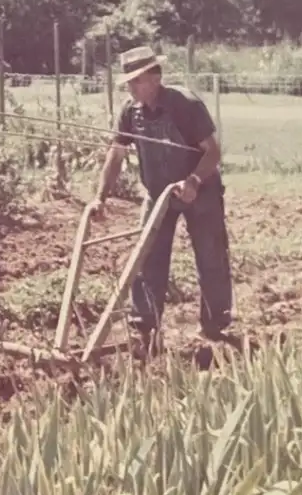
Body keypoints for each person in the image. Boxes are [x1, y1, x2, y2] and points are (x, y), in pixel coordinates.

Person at [90, 45, 234, 351]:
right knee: (146, 258)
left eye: (136, 81)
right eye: (128, 82)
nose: (130, 87)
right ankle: (146, 328)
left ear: (155, 78)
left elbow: (213, 151)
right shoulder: (131, 111)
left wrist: (193, 180)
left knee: (210, 257)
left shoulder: (185, 105)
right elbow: (115, 153)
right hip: (159, 194)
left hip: (200, 190)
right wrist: (100, 197)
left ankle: (214, 326)